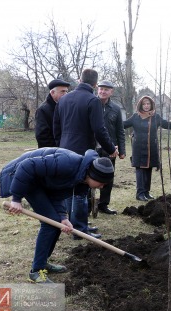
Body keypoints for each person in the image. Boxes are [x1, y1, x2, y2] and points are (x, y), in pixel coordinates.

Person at [0, 148, 114, 283]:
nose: (102, 187)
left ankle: (42, 262)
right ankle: (37, 271)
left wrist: (63, 217)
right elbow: (27, 166)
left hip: (40, 182)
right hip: (21, 174)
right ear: (93, 176)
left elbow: (57, 194)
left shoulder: (82, 181)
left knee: (56, 223)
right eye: (101, 183)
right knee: (50, 223)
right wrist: (16, 199)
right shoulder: (68, 163)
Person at [53, 68, 118, 239]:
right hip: (83, 152)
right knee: (81, 192)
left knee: (69, 191)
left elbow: (56, 128)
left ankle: (73, 225)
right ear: (95, 84)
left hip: (64, 150)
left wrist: (61, 146)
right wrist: (111, 149)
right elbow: (99, 129)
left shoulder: (64, 99)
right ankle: (80, 230)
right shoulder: (93, 101)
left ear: (79, 79)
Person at [123, 95, 171, 201]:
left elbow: (168, 125)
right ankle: (140, 193)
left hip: (151, 148)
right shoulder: (135, 117)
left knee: (148, 169)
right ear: (140, 105)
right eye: (144, 104)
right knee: (140, 170)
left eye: (148, 104)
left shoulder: (155, 117)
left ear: (151, 105)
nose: (146, 106)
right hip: (138, 148)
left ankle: (146, 192)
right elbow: (123, 125)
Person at [96, 80, 126, 215]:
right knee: (87, 175)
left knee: (108, 176)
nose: (103, 91)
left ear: (111, 92)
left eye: (106, 90)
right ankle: (87, 205)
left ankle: (103, 205)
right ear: (97, 89)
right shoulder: (91, 104)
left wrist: (122, 151)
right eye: (101, 89)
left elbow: (120, 130)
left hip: (110, 148)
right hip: (91, 146)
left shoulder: (115, 109)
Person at [35, 79, 70, 148]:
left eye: (66, 91)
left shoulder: (66, 107)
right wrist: (56, 150)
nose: (65, 94)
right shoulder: (43, 110)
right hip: (51, 153)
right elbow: (42, 136)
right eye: (62, 91)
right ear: (52, 92)